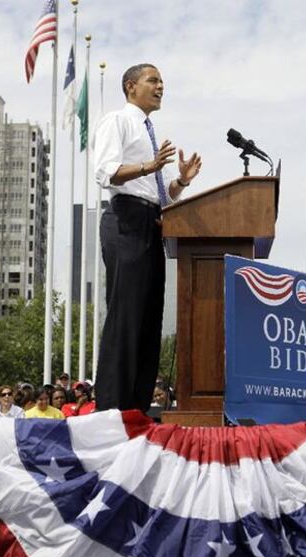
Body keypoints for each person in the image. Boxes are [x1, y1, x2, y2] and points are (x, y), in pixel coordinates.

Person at [94, 63, 201, 412]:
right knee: (126, 314)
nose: (160, 87)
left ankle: (137, 409)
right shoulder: (118, 121)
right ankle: (112, 410)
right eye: (152, 80)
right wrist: (148, 167)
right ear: (130, 86)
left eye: (162, 82)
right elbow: (106, 172)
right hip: (126, 219)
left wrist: (181, 180)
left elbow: (164, 194)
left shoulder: (152, 133)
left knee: (148, 317)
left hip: (154, 223)